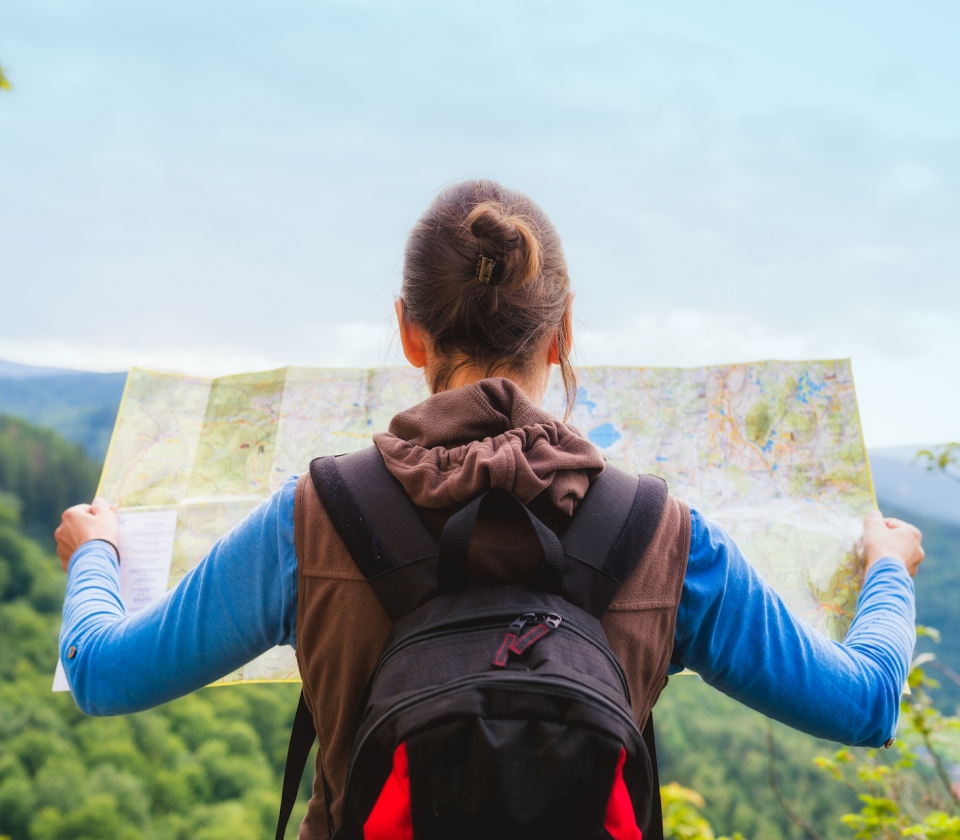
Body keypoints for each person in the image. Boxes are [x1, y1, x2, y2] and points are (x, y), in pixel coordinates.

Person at [56, 180, 923, 839]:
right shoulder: (666, 538)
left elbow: (103, 672)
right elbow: (866, 703)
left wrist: (96, 551)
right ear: (564, 335)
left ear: (408, 331)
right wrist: (886, 567)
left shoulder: (312, 520)